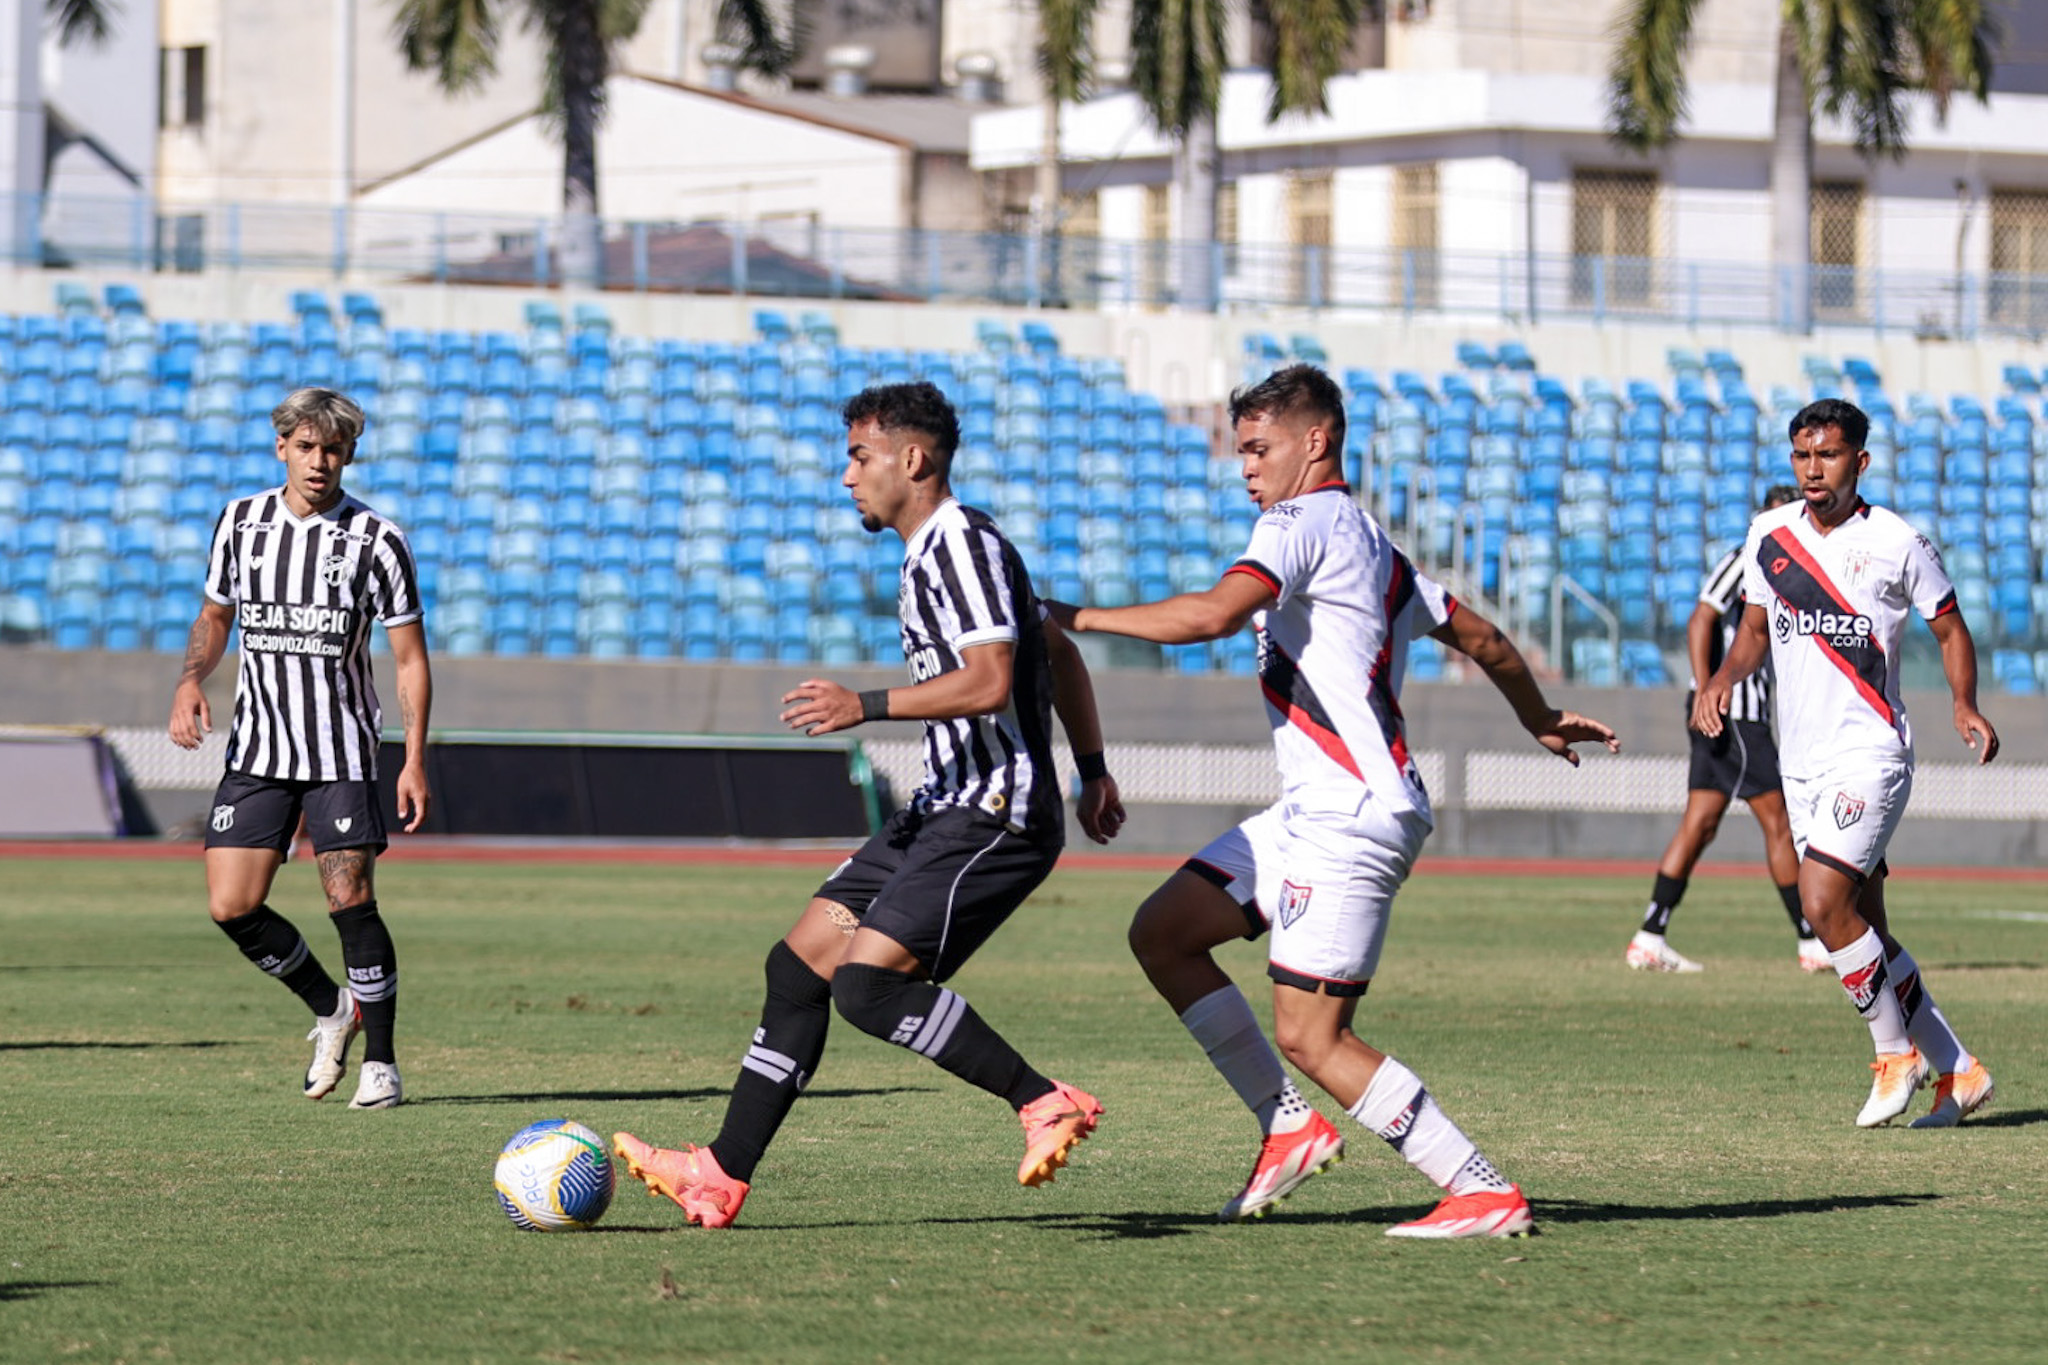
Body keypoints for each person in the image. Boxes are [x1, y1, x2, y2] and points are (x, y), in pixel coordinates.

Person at [1045, 365, 1617, 1238]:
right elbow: (1484, 636)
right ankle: (1286, 1130)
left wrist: (1073, 616)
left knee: (1313, 1036)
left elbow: (1211, 616)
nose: (1245, 466)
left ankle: (1481, 1189)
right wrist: (1536, 714)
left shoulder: (1298, 520)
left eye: (1258, 446)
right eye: (1240, 449)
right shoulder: (1373, 542)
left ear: (1316, 442)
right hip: (1317, 808)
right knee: (1164, 932)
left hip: (1351, 810)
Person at [613, 381, 1127, 1228]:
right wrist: (1096, 766)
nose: (846, 476)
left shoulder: (959, 543)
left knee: (867, 989)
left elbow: (996, 680)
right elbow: (1055, 648)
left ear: (912, 459)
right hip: (942, 806)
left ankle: (1043, 1100)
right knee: (798, 966)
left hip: (994, 813)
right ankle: (719, 1171)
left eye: (860, 456)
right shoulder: (940, 551)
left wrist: (869, 704)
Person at [1696, 398, 1998, 1128]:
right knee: (1867, 927)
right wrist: (1721, 678)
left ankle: (1895, 1055)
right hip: (1799, 759)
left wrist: (1963, 703)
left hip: (1870, 753)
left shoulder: (1898, 541)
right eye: (1802, 456)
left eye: (1827, 456)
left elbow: (1951, 630)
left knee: (1822, 902)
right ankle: (1960, 1070)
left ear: (1859, 461)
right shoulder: (1768, 535)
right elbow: (1753, 630)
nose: (1812, 470)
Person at [168, 387, 432, 1111]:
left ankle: (381, 1061)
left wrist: (411, 756)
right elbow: (215, 615)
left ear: (350, 454)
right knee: (231, 906)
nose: (320, 462)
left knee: (351, 900)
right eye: (308, 446)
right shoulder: (241, 522)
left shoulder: (379, 540)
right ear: (281, 445)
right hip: (257, 750)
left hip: (340, 751)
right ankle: (331, 1007)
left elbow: (409, 657)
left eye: (335, 449)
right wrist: (192, 679)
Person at [1627, 485, 1828, 974]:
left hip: (1733, 713)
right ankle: (1810, 940)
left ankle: (1649, 936)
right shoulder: (1750, 556)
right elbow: (1702, 617)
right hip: (1734, 712)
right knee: (1778, 822)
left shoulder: (1792, 565)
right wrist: (1704, 688)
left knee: (1700, 824)